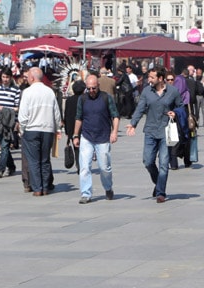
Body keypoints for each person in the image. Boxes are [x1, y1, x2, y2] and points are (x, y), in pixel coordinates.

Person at [126, 67, 183, 203]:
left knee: (163, 163)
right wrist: (133, 124)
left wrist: (175, 113)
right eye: (149, 77)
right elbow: (140, 108)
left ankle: (160, 193)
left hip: (165, 131)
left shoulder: (172, 91)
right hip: (150, 131)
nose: (149, 80)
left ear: (160, 78)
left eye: (152, 77)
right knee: (148, 161)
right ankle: (158, 183)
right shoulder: (147, 91)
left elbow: (181, 106)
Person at [72, 74, 119, 204]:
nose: (91, 91)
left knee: (104, 168)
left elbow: (115, 116)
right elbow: (78, 118)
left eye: (94, 88)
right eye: (89, 88)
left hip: (103, 137)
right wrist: (75, 135)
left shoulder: (106, 98)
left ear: (98, 86)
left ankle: (108, 187)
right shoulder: (82, 99)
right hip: (86, 136)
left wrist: (114, 132)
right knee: (84, 167)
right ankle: (86, 193)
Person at [17, 67, 62, 197]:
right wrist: (57, 128)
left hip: (31, 129)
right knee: (45, 159)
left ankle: (37, 188)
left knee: (33, 160)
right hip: (47, 129)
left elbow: (23, 115)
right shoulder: (49, 92)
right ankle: (45, 187)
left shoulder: (27, 92)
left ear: (32, 78)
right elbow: (56, 112)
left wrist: (22, 129)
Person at [0, 68, 23, 179]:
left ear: (11, 78)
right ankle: (11, 166)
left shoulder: (16, 90)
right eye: (3, 77)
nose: (5, 79)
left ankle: (0, 168)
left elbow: (18, 107)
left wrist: (8, 111)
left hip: (9, 122)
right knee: (4, 146)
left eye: (7, 77)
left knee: (4, 145)